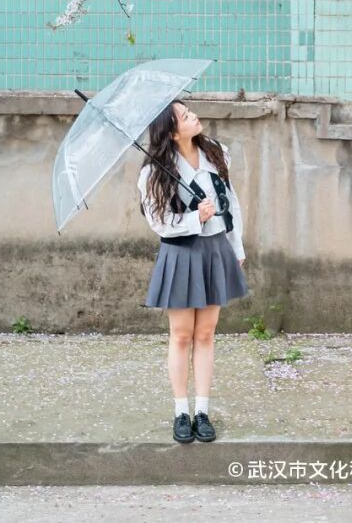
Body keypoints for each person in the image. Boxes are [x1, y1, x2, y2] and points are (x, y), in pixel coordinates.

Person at [138, 98, 249, 444]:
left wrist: (236, 247)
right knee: (182, 335)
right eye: (185, 116)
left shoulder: (216, 153)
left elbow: (231, 203)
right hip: (181, 254)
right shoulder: (154, 172)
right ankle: (181, 412)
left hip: (216, 250)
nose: (194, 116)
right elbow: (159, 222)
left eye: (189, 111)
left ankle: (202, 410)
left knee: (206, 334)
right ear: (171, 133)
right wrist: (194, 218)